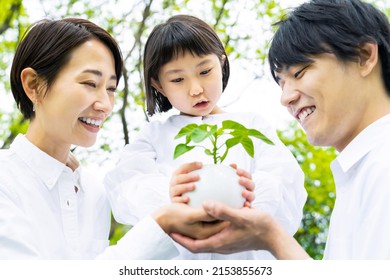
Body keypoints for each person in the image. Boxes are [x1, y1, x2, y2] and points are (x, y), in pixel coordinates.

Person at [171, 0, 390, 260]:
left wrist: (271, 236)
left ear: (364, 56)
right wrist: (270, 237)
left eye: (299, 72)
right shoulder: (361, 172)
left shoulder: (383, 165)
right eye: (281, 83)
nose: (285, 98)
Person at [0, 17, 229, 259]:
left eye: (110, 88)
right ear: (33, 85)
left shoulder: (93, 192)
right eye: (90, 83)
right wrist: (161, 225)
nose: (105, 105)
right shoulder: (6, 179)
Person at [104, 14, 307, 260]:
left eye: (205, 71)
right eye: (178, 79)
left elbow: (286, 182)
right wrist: (170, 193)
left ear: (221, 64)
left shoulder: (251, 125)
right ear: (158, 84)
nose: (196, 89)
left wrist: (249, 192)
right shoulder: (154, 136)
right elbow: (125, 188)